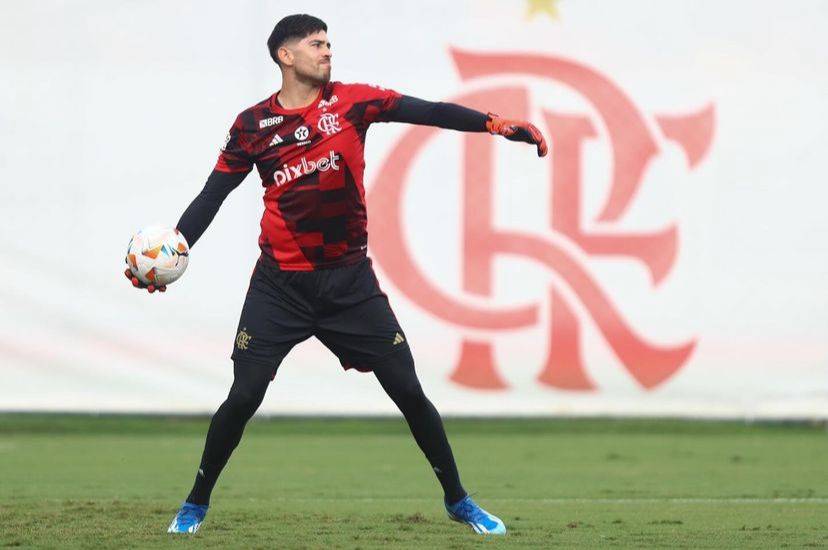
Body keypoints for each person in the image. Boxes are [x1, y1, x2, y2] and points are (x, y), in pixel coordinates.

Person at [125, 13, 547, 536]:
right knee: (244, 396)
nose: (327, 51)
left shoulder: (353, 102)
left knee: (409, 392)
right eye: (316, 43)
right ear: (286, 55)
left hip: (350, 284)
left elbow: (430, 111)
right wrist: (169, 257)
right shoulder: (252, 125)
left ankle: (459, 500)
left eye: (329, 43)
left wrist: (492, 123)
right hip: (279, 286)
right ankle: (195, 503)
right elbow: (213, 197)